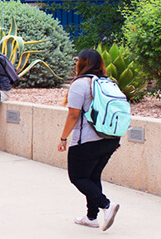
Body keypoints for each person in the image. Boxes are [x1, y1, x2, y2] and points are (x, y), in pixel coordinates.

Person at [56, 49, 121, 231]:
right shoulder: (109, 83)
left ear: (81, 63)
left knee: (77, 177)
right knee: (92, 177)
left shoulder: (80, 84)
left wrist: (63, 138)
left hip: (87, 141)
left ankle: (106, 205)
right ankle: (91, 217)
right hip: (111, 138)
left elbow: (73, 115)